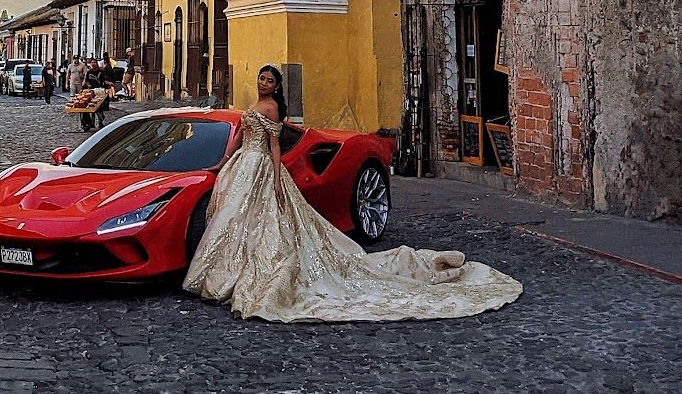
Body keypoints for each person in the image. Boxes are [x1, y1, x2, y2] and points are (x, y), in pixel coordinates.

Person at [184, 65, 521, 323]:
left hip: (260, 165)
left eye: (269, 80)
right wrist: (222, 163)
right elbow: (239, 137)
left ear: (277, 87)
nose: (263, 83)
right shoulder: (253, 105)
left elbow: (274, 145)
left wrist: (275, 177)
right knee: (234, 218)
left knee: (265, 224)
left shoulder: (271, 109)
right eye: (261, 78)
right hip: (242, 165)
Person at [80, 59, 104, 133]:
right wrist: (88, 85)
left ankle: (100, 121)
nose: (93, 64)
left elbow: (104, 80)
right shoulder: (89, 72)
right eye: (92, 62)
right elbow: (86, 80)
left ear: (97, 63)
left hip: (99, 91)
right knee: (90, 107)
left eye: (94, 62)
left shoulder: (101, 71)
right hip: (91, 91)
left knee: (99, 107)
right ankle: (90, 123)